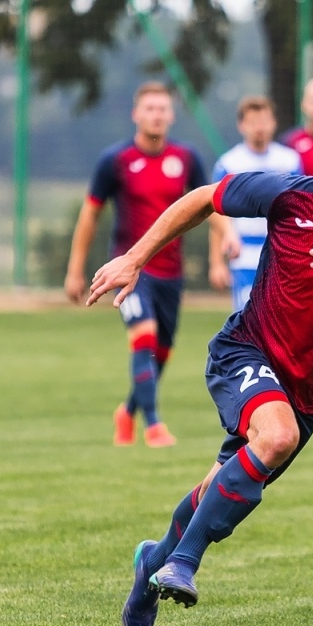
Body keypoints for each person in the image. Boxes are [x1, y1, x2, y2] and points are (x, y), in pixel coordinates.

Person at [90, 132, 313, 626]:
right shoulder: (289, 195)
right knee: (277, 436)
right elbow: (204, 198)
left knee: (219, 483)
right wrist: (135, 258)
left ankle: (151, 565)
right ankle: (184, 563)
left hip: (309, 392)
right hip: (245, 351)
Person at [64, 82, 207, 448]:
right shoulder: (115, 161)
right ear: (136, 115)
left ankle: (127, 412)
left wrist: (228, 239)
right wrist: (75, 269)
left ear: (171, 115)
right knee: (142, 338)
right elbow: (90, 215)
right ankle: (154, 426)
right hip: (130, 271)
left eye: (163, 109)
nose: (157, 114)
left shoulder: (187, 159)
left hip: (171, 273)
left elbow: (209, 203)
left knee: (161, 350)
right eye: (150, 108)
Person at [209, 96, 302, 313]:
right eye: (252, 122)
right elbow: (214, 211)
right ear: (241, 125)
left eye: (264, 121)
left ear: (274, 123)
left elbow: (300, 207)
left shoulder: (290, 161)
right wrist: (216, 262)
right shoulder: (229, 163)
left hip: (281, 253)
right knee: (247, 319)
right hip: (244, 255)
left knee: (279, 320)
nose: (259, 128)